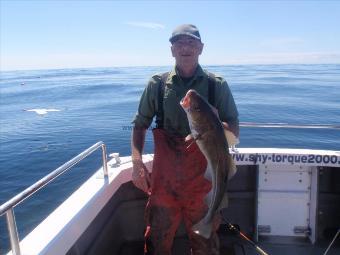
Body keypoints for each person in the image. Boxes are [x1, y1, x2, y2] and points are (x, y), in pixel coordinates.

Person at [131, 24, 239, 255]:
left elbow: (234, 130)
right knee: (156, 244)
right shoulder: (157, 85)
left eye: (191, 42)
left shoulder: (216, 84)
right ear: (171, 50)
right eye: (179, 43)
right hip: (164, 184)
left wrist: (216, 125)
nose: (185, 47)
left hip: (203, 183)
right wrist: (137, 163)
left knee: (206, 248)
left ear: (201, 48)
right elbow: (140, 125)